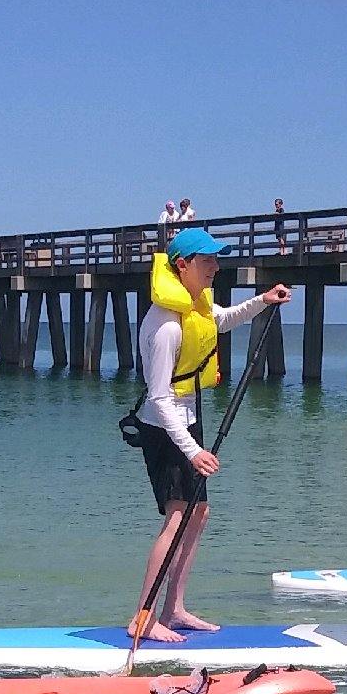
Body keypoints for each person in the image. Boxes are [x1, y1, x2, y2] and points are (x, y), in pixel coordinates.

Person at [128, 230, 290, 641]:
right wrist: (193, 450)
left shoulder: (196, 306)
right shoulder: (165, 327)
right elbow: (159, 397)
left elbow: (222, 320)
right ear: (182, 265)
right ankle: (143, 617)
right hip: (163, 428)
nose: (216, 267)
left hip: (186, 422)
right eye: (207, 260)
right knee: (178, 516)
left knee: (198, 513)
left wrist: (263, 301)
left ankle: (174, 609)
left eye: (216, 259)